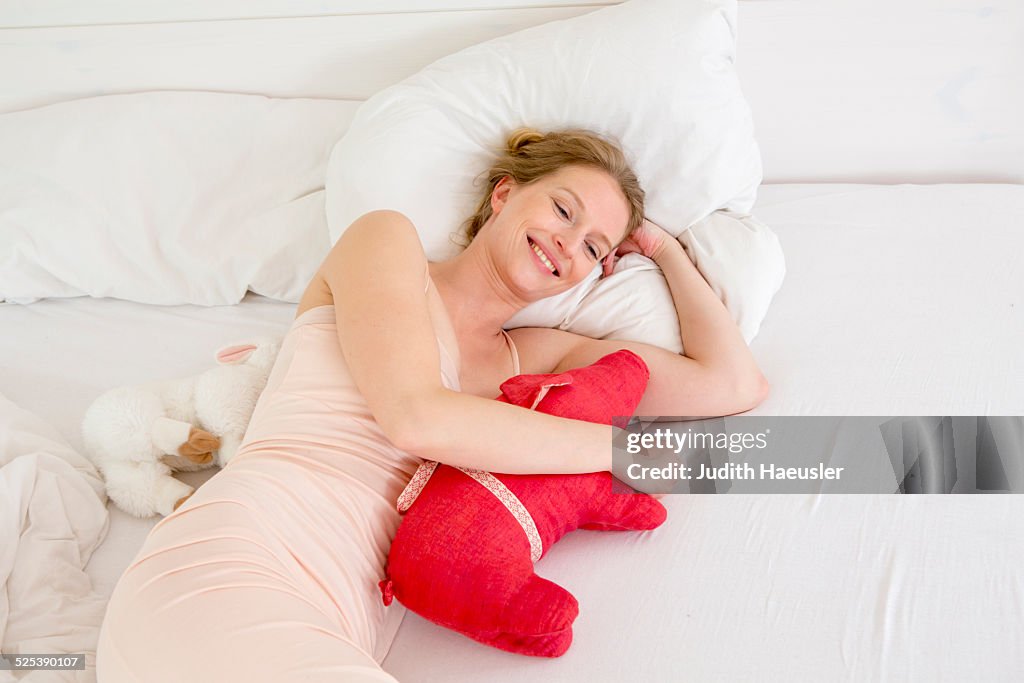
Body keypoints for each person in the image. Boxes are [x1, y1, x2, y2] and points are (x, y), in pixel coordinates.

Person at [95, 128, 768, 682]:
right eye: (564, 209)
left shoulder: (538, 357)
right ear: (504, 194)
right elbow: (415, 416)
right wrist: (621, 449)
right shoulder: (385, 245)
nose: (570, 242)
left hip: (338, 617)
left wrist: (666, 250)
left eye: (594, 246)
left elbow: (733, 385)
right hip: (229, 564)